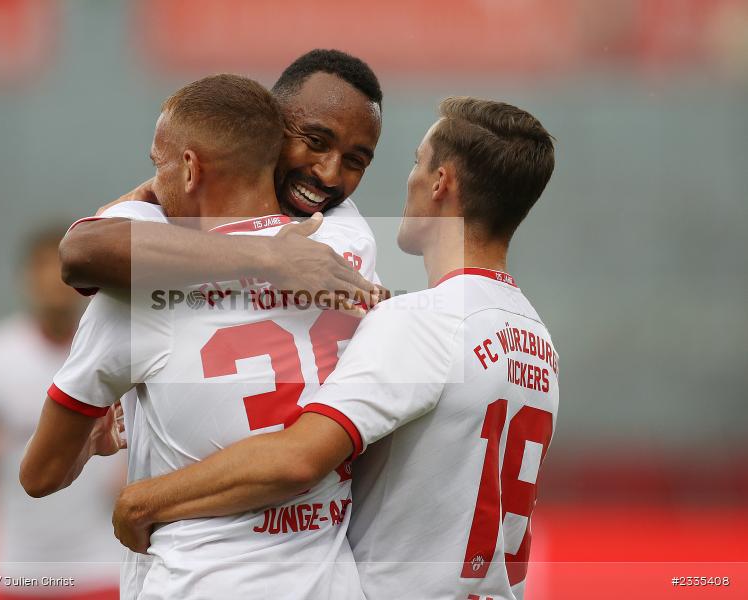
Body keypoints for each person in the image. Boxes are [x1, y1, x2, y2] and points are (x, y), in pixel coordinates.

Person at [111, 97, 559, 600]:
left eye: (417, 160)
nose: (408, 180)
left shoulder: (424, 320)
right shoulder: (534, 337)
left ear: (441, 182)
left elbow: (298, 460)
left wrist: (142, 501)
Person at [20, 74, 379, 600]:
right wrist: (266, 255)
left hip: (197, 581)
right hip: (329, 582)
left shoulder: (136, 294)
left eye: (157, 164)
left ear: (189, 167)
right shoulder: (349, 247)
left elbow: (40, 475)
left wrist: (90, 441)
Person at [57, 49, 383, 300]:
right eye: (315, 141)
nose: (329, 175)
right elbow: (79, 254)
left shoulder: (339, 232)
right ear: (274, 124)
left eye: (355, 161)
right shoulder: (173, 201)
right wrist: (269, 256)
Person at [0, 226, 123, 599]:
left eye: (64, 270)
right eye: (43, 269)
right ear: (26, 277)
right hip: (16, 570)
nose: (53, 282)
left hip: (103, 567)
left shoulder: (120, 350)